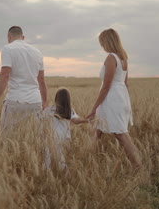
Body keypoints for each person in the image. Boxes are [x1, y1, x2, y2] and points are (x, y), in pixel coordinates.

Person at [86, 28, 142, 168]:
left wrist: (94, 108)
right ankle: (85, 160)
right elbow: (125, 83)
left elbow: (106, 86)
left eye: (102, 42)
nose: (101, 46)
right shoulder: (123, 57)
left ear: (107, 41)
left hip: (111, 99)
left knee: (121, 134)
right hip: (120, 96)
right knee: (98, 129)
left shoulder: (111, 57)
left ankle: (139, 166)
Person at [0, 26, 47, 131]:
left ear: (9, 37)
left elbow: (5, 74)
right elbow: (41, 79)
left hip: (15, 100)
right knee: (33, 138)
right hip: (35, 101)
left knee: (8, 137)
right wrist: (44, 102)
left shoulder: (8, 48)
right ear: (23, 37)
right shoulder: (37, 52)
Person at [43, 88, 89, 170]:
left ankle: (47, 170)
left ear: (56, 98)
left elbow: (41, 119)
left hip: (51, 137)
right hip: (64, 138)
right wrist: (86, 120)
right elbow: (76, 120)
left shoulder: (49, 109)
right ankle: (62, 169)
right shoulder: (69, 111)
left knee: (47, 156)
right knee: (60, 156)